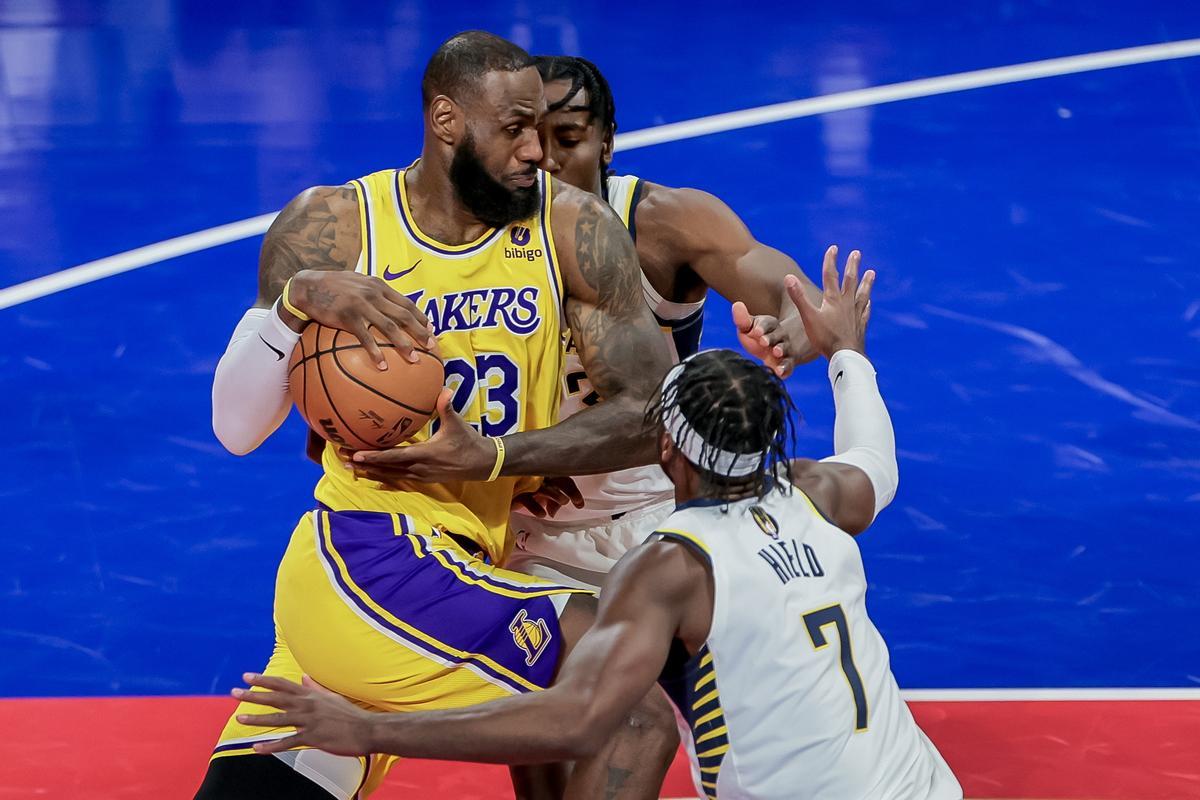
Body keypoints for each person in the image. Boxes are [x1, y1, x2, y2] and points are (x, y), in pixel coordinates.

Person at [232, 247, 964, 800]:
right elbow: (876, 460)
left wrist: (368, 729)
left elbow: (578, 721)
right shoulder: (817, 494)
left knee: (631, 715)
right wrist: (845, 352)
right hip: (926, 786)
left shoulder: (670, 568)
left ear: (667, 447)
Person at [198, 31, 678, 799]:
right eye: (515, 128)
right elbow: (236, 429)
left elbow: (653, 414)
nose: (538, 151)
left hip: (450, 567)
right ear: (448, 121)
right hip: (374, 555)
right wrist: (294, 308)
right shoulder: (336, 226)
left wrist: (503, 457)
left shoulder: (571, 228)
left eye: (547, 130)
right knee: (628, 714)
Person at [350, 55, 825, 592]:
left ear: (606, 143)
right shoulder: (473, 232)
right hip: (522, 519)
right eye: (525, 133)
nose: (541, 157)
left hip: (654, 506)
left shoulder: (660, 221)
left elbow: (795, 295)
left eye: (568, 138)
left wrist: (795, 330)